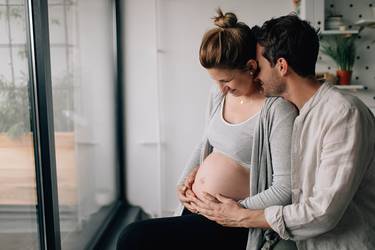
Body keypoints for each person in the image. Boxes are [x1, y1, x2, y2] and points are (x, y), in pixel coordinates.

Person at [190, 14, 375, 250]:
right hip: (301, 241)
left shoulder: (343, 113)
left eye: (258, 66)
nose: (254, 73)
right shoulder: (299, 113)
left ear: (281, 66)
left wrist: (240, 215)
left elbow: (324, 212)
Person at [117, 9, 297, 250]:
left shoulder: (277, 110)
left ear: (251, 66)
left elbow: (283, 188)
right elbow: (205, 143)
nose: (220, 88)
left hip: (231, 223)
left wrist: (235, 210)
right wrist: (182, 185)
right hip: (198, 210)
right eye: (215, 81)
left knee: (133, 238)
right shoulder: (218, 95)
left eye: (226, 80)